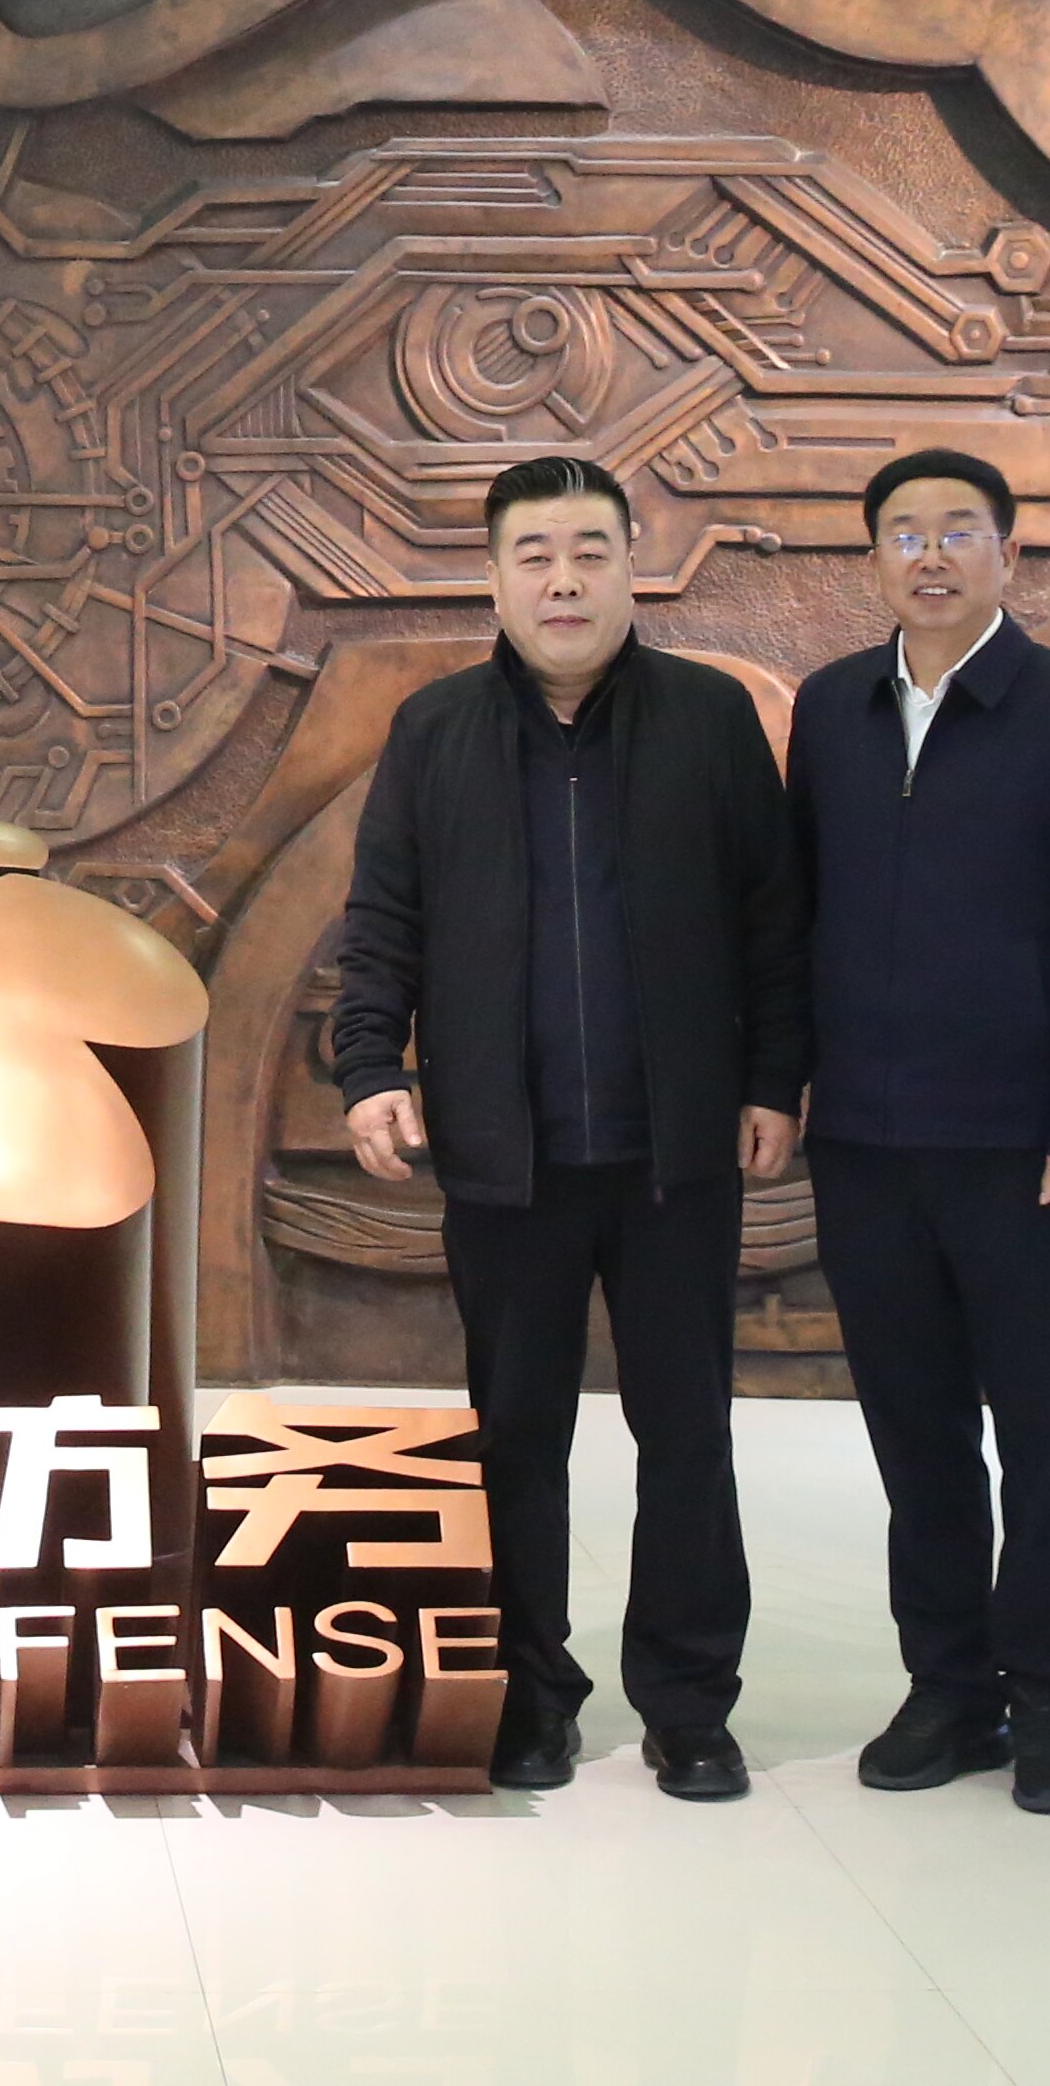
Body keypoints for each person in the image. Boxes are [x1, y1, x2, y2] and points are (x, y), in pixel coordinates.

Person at [327, 454, 811, 1803]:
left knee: (688, 1434)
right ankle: (526, 1695)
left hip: (677, 1155)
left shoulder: (710, 717)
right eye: (534, 554)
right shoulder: (434, 729)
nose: (563, 580)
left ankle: (690, 1704)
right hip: (506, 1155)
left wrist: (774, 1079)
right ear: (493, 579)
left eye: (590, 551)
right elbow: (383, 917)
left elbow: (772, 919)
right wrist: (368, 1065)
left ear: (630, 569)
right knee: (514, 1436)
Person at [784, 445, 1050, 1813]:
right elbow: (797, 913)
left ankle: (1048, 1693)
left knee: (1042, 1433)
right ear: (873, 558)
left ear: (1010, 553)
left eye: (958, 530)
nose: (930, 554)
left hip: (1023, 1149)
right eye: (905, 532)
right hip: (866, 1144)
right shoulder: (832, 707)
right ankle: (948, 1684)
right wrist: (787, 1082)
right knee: (916, 1429)